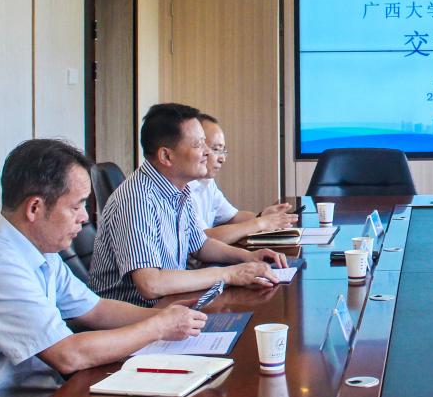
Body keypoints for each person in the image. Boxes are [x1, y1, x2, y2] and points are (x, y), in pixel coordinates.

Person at [0, 139, 208, 397]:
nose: (85, 218)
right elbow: (68, 355)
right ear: (35, 207)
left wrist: (166, 316)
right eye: (76, 206)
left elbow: (95, 310)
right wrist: (159, 327)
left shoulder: (39, 250)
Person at [88, 103, 285, 306]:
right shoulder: (137, 200)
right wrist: (228, 274)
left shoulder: (180, 190)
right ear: (166, 156)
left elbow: (200, 245)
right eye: (198, 145)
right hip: (135, 316)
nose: (207, 153)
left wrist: (248, 257)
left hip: (170, 305)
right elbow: (150, 284)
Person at [192, 113, 297, 245]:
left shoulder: (207, 182)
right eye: (216, 149)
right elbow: (202, 240)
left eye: (223, 151)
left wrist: (262, 216)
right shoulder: (183, 187)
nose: (222, 159)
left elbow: (231, 217)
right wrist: (261, 223)